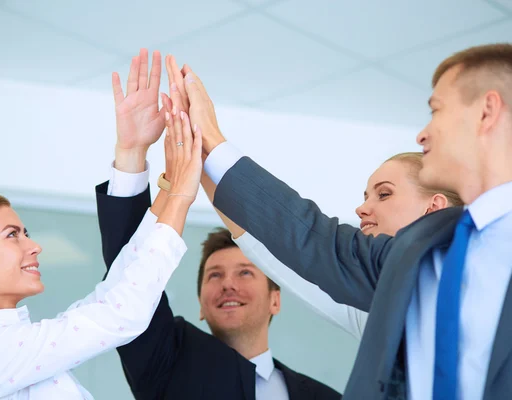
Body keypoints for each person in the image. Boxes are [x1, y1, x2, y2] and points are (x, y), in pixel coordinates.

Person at [179, 43, 512, 400]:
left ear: (486, 112)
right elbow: (306, 239)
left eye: (437, 110)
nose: (422, 133)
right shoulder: (408, 259)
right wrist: (208, 146)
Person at [0, 49, 202, 400]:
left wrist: (143, 160)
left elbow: (114, 293)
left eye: (26, 233)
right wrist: (182, 196)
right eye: (12, 235)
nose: (33, 246)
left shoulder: (4, 345)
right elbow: (120, 314)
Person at [93, 51, 341, 400]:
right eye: (214, 275)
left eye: (244, 273)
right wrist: (132, 153)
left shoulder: (327, 398)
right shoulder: (166, 358)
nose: (228, 285)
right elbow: (130, 277)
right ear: (200, 303)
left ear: (276, 300)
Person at [201, 152, 462, 340]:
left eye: (384, 194)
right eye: (365, 197)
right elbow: (267, 248)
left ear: (434, 207)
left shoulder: (475, 281)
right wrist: (198, 160)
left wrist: (213, 146)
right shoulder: (372, 305)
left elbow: (308, 238)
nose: (361, 209)